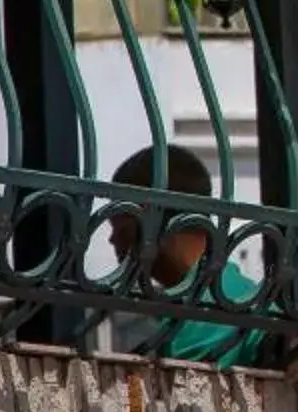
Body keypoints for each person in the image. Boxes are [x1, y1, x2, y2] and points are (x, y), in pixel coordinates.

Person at [106, 145, 276, 367]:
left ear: (152, 216)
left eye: (120, 222)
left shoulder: (259, 326)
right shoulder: (170, 318)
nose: (112, 238)